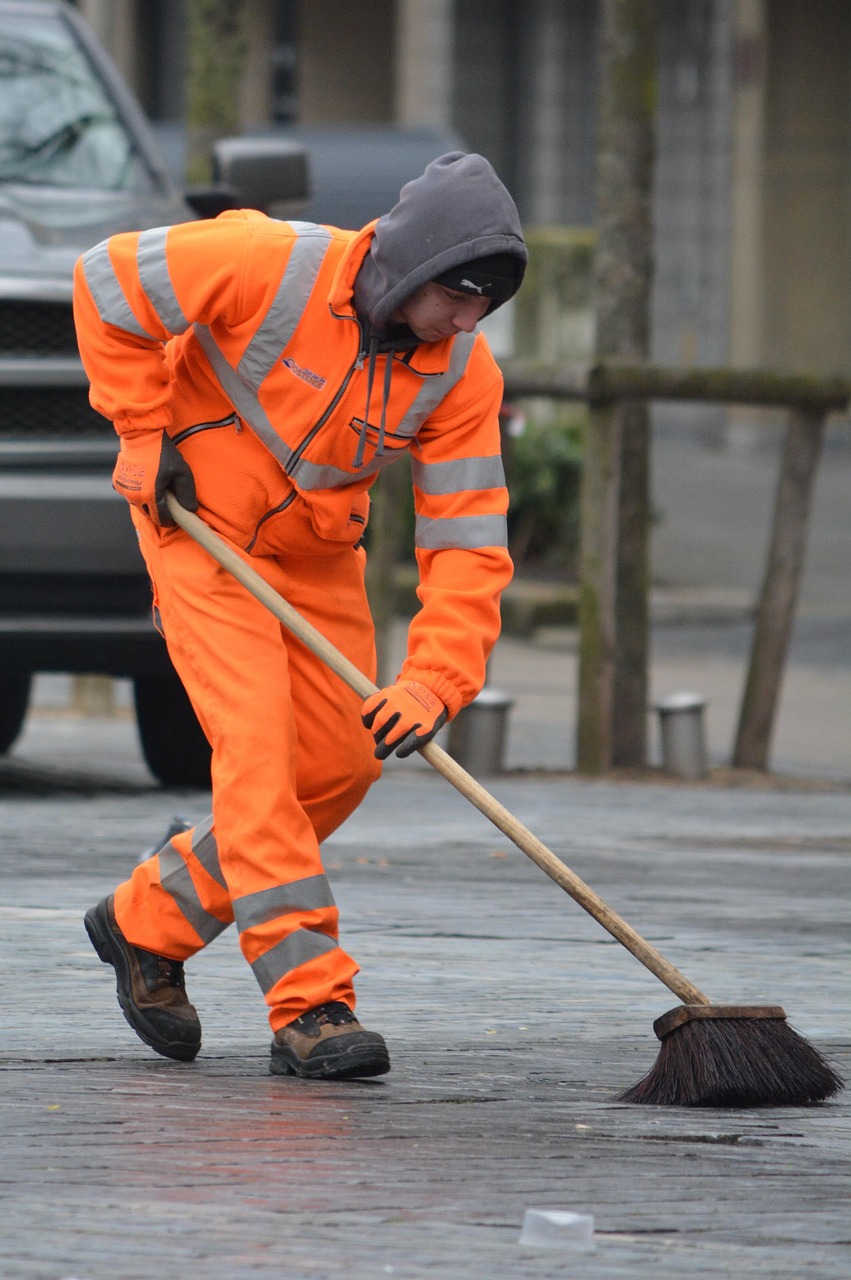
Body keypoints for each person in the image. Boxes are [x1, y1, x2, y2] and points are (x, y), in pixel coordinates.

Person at [73, 150, 528, 1080]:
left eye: (486, 305)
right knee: (258, 751)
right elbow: (103, 285)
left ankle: (144, 923)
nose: (467, 319)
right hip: (195, 527)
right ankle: (310, 1002)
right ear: (412, 263)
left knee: (339, 764)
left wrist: (435, 678)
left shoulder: (459, 375)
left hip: (315, 556)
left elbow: (468, 544)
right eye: (459, 295)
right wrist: (144, 432)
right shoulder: (265, 260)